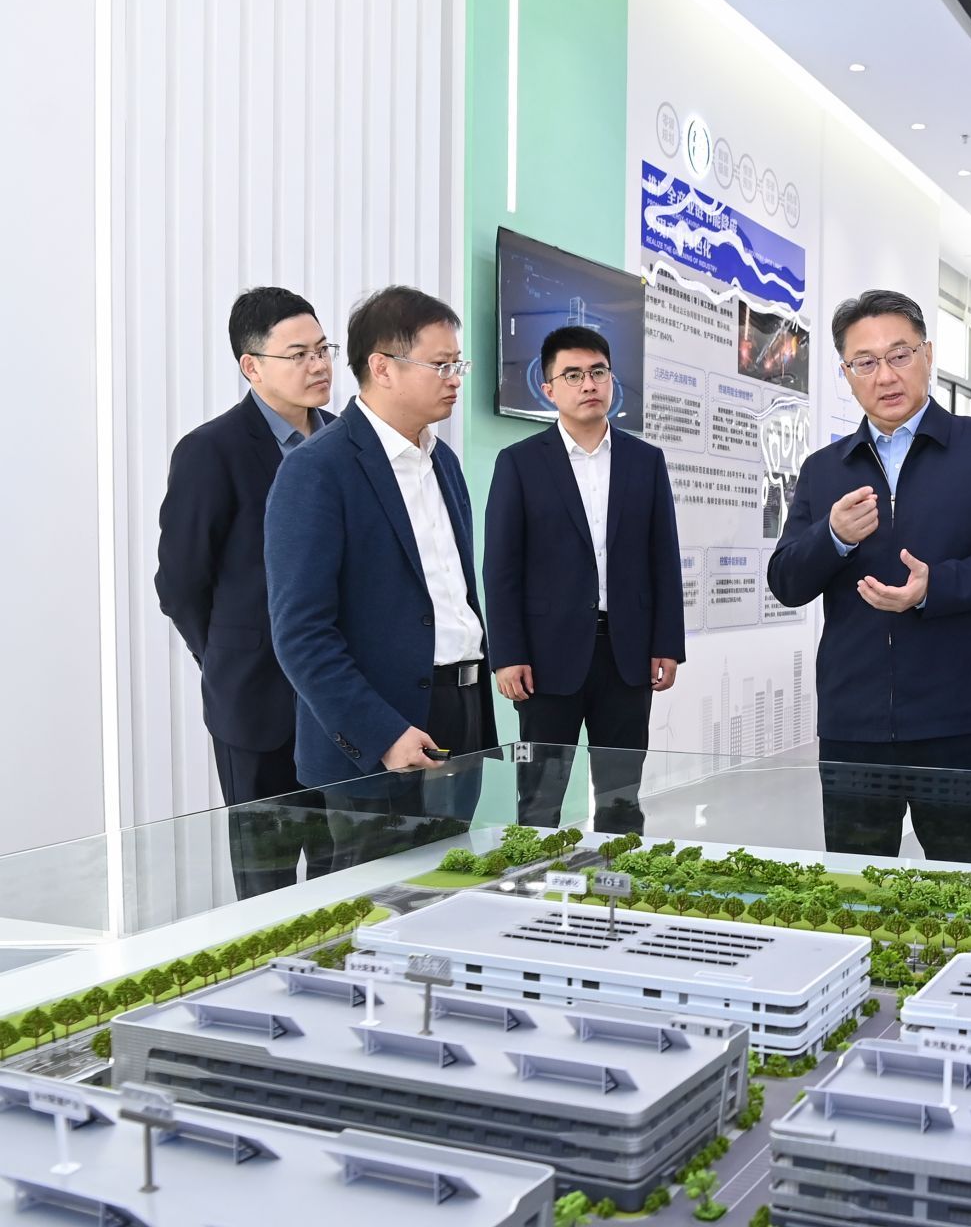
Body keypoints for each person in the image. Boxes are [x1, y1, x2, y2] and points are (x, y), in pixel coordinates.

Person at [767, 289, 971, 863]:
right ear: (845, 374)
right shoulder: (824, 470)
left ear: (927, 355)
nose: (885, 375)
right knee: (856, 888)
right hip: (854, 721)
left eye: (899, 355)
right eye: (865, 362)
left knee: (961, 886)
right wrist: (833, 537)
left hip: (959, 719)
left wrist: (935, 587)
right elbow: (786, 582)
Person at [265, 285, 496, 866]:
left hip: (459, 712)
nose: (454, 379)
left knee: (449, 889)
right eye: (440, 365)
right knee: (380, 908)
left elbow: (454, 599)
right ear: (383, 367)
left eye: (458, 364)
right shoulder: (318, 469)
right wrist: (381, 734)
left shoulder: (443, 462)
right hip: (379, 735)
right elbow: (301, 634)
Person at [155, 287, 337, 897]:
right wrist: (227, 656)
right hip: (255, 701)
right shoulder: (212, 451)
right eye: (299, 354)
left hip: (341, 701)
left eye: (323, 350)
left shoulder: (347, 443)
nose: (319, 365)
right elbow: (180, 582)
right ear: (251, 366)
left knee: (348, 871)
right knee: (266, 881)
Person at [484, 325, 686, 833]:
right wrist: (507, 654)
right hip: (544, 660)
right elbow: (501, 567)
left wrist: (667, 644)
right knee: (539, 798)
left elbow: (664, 557)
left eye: (598, 372)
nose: (588, 384)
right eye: (572, 375)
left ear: (612, 380)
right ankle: (533, 880)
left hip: (627, 654)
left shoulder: (646, 461)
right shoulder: (520, 463)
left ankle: (618, 880)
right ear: (548, 389)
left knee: (621, 797)